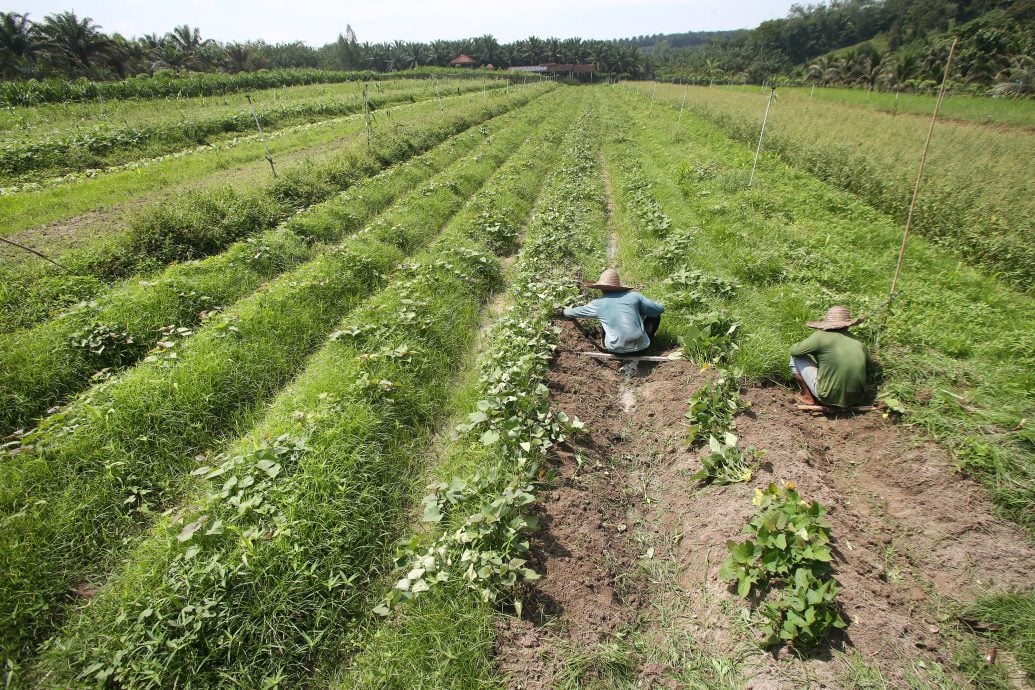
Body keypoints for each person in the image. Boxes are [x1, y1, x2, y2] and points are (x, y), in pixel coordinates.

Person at [561, 269, 664, 354]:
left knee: (605, 319)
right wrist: (640, 311)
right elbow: (659, 309)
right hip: (641, 349)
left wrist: (562, 312)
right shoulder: (634, 296)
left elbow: (571, 312)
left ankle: (608, 343)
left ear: (601, 288)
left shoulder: (598, 304)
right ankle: (647, 343)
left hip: (615, 350)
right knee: (655, 315)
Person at [788, 306, 869, 408]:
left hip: (827, 397)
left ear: (827, 324)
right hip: (856, 398)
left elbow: (794, 351)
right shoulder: (859, 342)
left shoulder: (820, 336)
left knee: (795, 358)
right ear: (848, 325)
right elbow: (868, 365)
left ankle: (807, 396)